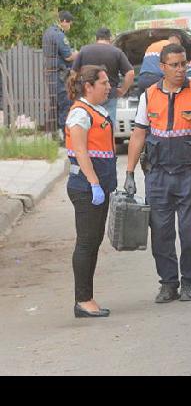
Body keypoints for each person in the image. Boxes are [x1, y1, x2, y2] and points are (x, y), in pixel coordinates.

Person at [124, 43, 191, 303]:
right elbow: (138, 135)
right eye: (175, 65)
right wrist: (129, 173)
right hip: (157, 176)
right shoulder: (149, 95)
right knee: (161, 232)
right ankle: (168, 283)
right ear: (163, 68)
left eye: (183, 64)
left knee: (190, 230)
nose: (181, 69)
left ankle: (190, 282)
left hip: (190, 175)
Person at [64, 65, 116, 318]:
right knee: (86, 243)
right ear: (88, 87)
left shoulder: (95, 111)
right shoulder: (80, 114)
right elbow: (80, 151)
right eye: (104, 83)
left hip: (96, 187)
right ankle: (82, 300)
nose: (108, 87)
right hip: (86, 188)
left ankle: (87, 298)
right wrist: (94, 182)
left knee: (93, 242)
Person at [72, 27, 134, 127]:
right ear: (110, 38)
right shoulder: (116, 52)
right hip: (109, 94)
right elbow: (130, 73)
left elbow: (73, 73)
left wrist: (77, 90)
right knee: (107, 126)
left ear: (96, 38)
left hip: (89, 94)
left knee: (87, 125)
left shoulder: (84, 50)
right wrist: (123, 90)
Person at [43, 10, 77, 136]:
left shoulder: (48, 32)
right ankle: (64, 134)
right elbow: (68, 57)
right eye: (69, 24)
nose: (69, 26)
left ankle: (54, 133)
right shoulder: (59, 35)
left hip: (50, 73)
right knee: (65, 103)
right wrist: (79, 54)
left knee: (54, 104)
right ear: (63, 21)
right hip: (59, 75)